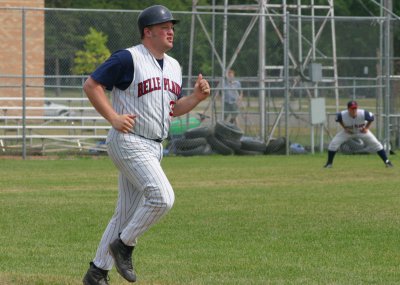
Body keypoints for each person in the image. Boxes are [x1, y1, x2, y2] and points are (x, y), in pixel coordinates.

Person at [82, 5, 210, 285]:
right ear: (147, 32)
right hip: (128, 141)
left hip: (154, 146)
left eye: (172, 27)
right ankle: (124, 245)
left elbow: (171, 110)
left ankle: (96, 273)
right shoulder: (128, 58)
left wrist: (196, 98)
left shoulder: (174, 66)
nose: (170, 31)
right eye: (164, 27)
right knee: (162, 197)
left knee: (125, 213)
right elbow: (92, 85)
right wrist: (113, 117)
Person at [324, 100, 393, 168]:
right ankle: (329, 163)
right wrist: (345, 127)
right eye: (352, 108)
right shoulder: (342, 115)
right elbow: (338, 120)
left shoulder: (363, 113)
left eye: (355, 108)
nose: (354, 110)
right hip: (348, 132)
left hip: (361, 131)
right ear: (348, 109)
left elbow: (371, 118)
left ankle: (387, 162)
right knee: (333, 143)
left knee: (376, 144)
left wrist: (366, 128)